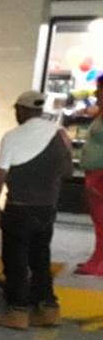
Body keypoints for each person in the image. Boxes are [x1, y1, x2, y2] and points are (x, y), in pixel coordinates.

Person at [0, 91, 74, 330]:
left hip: (19, 209)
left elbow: (0, 177)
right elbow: (67, 172)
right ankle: (49, 309)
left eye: (17, 109)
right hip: (47, 209)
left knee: (16, 260)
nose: (16, 113)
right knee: (40, 259)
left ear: (23, 110)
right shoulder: (59, 134)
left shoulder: (12, 137)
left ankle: (18, 312)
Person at [75, 74, 103, 276]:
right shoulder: (100, 113)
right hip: (94, 173)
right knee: (98, 222)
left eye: (99, 89)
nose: (96, 93)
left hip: (100, 176)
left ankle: (98, 264)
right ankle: (97, 260)